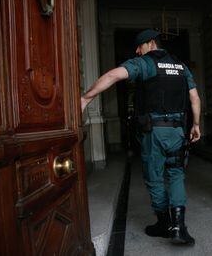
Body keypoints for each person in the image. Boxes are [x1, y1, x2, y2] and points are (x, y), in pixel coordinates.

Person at [81, 29, 201, 245]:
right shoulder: (180, 66)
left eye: (139, 46)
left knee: (154, 176)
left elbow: (113, 75)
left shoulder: (146, 64)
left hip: (153, 131)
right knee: (176, 174)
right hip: (177, 130)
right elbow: (194, 97)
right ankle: (179, 227)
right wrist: (196, 124)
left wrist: (85, 98)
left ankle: (164, 223)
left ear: (150, 43)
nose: (137, 50)